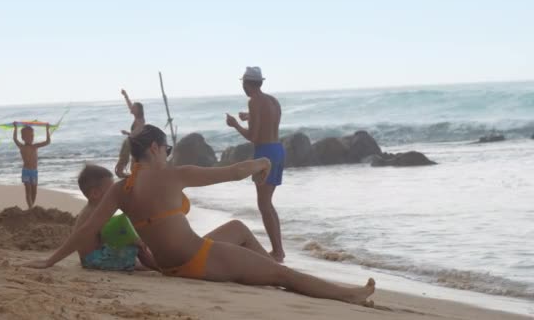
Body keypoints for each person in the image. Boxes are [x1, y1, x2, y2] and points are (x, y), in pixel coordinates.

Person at [24, 125, 375, 306]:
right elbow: (234, 171)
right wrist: (263, 162)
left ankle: (263, 265)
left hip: (169, 264)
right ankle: (346, 295)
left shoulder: (121, 188)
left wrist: (50, 261)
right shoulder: (173, 174)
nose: (169, 153)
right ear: (155, 149)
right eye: (167, 148)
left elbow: (87, 230)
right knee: (284, 274)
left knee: (238, 228)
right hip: (197, 259)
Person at [226, 66, 286, 262]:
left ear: (247, 83)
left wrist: (236, 124)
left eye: (243, 82)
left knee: (264, 204)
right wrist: (250, 117)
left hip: (265, 153)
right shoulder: (272, 101)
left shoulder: (254, 102)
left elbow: (253, 137)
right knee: (268, 203)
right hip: (278, 149)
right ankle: (279, 250)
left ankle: (277, 252)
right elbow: (268, 122)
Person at [74, 164, 157, 271]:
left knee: (131, 241)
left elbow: (104, 237)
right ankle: (155, 266)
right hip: (95, 260)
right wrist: (135, 241)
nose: (114, 194)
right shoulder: (96, 213)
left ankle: (141, 263)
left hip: (88, 259)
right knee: (138, 247)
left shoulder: (89, 210)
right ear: (95, 193)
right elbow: (110, 236)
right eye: (111, 190)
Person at [13, 123, 51, 209]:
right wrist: (15, 128)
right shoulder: (21, 146)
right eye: (28, 136)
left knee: (34, 192)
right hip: (26, 171)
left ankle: (31, 207)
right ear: (23, 137)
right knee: (28, 191)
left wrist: (47, 129)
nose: (31, 137)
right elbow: (15, 139)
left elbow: (48, 142)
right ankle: (31, 208)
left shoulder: (35, 146)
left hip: (34, 172)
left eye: (32, 135)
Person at [116, 89, 146, 178]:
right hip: (131, 142)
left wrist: (127, 133)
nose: (132, 108)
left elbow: (136, 134)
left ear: (138, 110)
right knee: (127, 165)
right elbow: (129, 105)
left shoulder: (141, 120)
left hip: (135, 143)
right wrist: (125, 95)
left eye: (134, 108)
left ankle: (132, 179)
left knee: (133, 166)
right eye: (132, 107)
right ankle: (129, 178)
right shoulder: (137, 117)